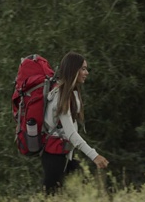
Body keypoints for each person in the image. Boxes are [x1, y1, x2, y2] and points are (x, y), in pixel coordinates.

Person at [42, 51, 109, 194]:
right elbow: (71, 133)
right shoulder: (62, 96)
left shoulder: (72, 93)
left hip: (65, 155)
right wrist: (94, 155)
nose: (87, 72)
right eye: (83, 69)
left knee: (85, 192)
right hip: (54, 157)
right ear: (74, 70)